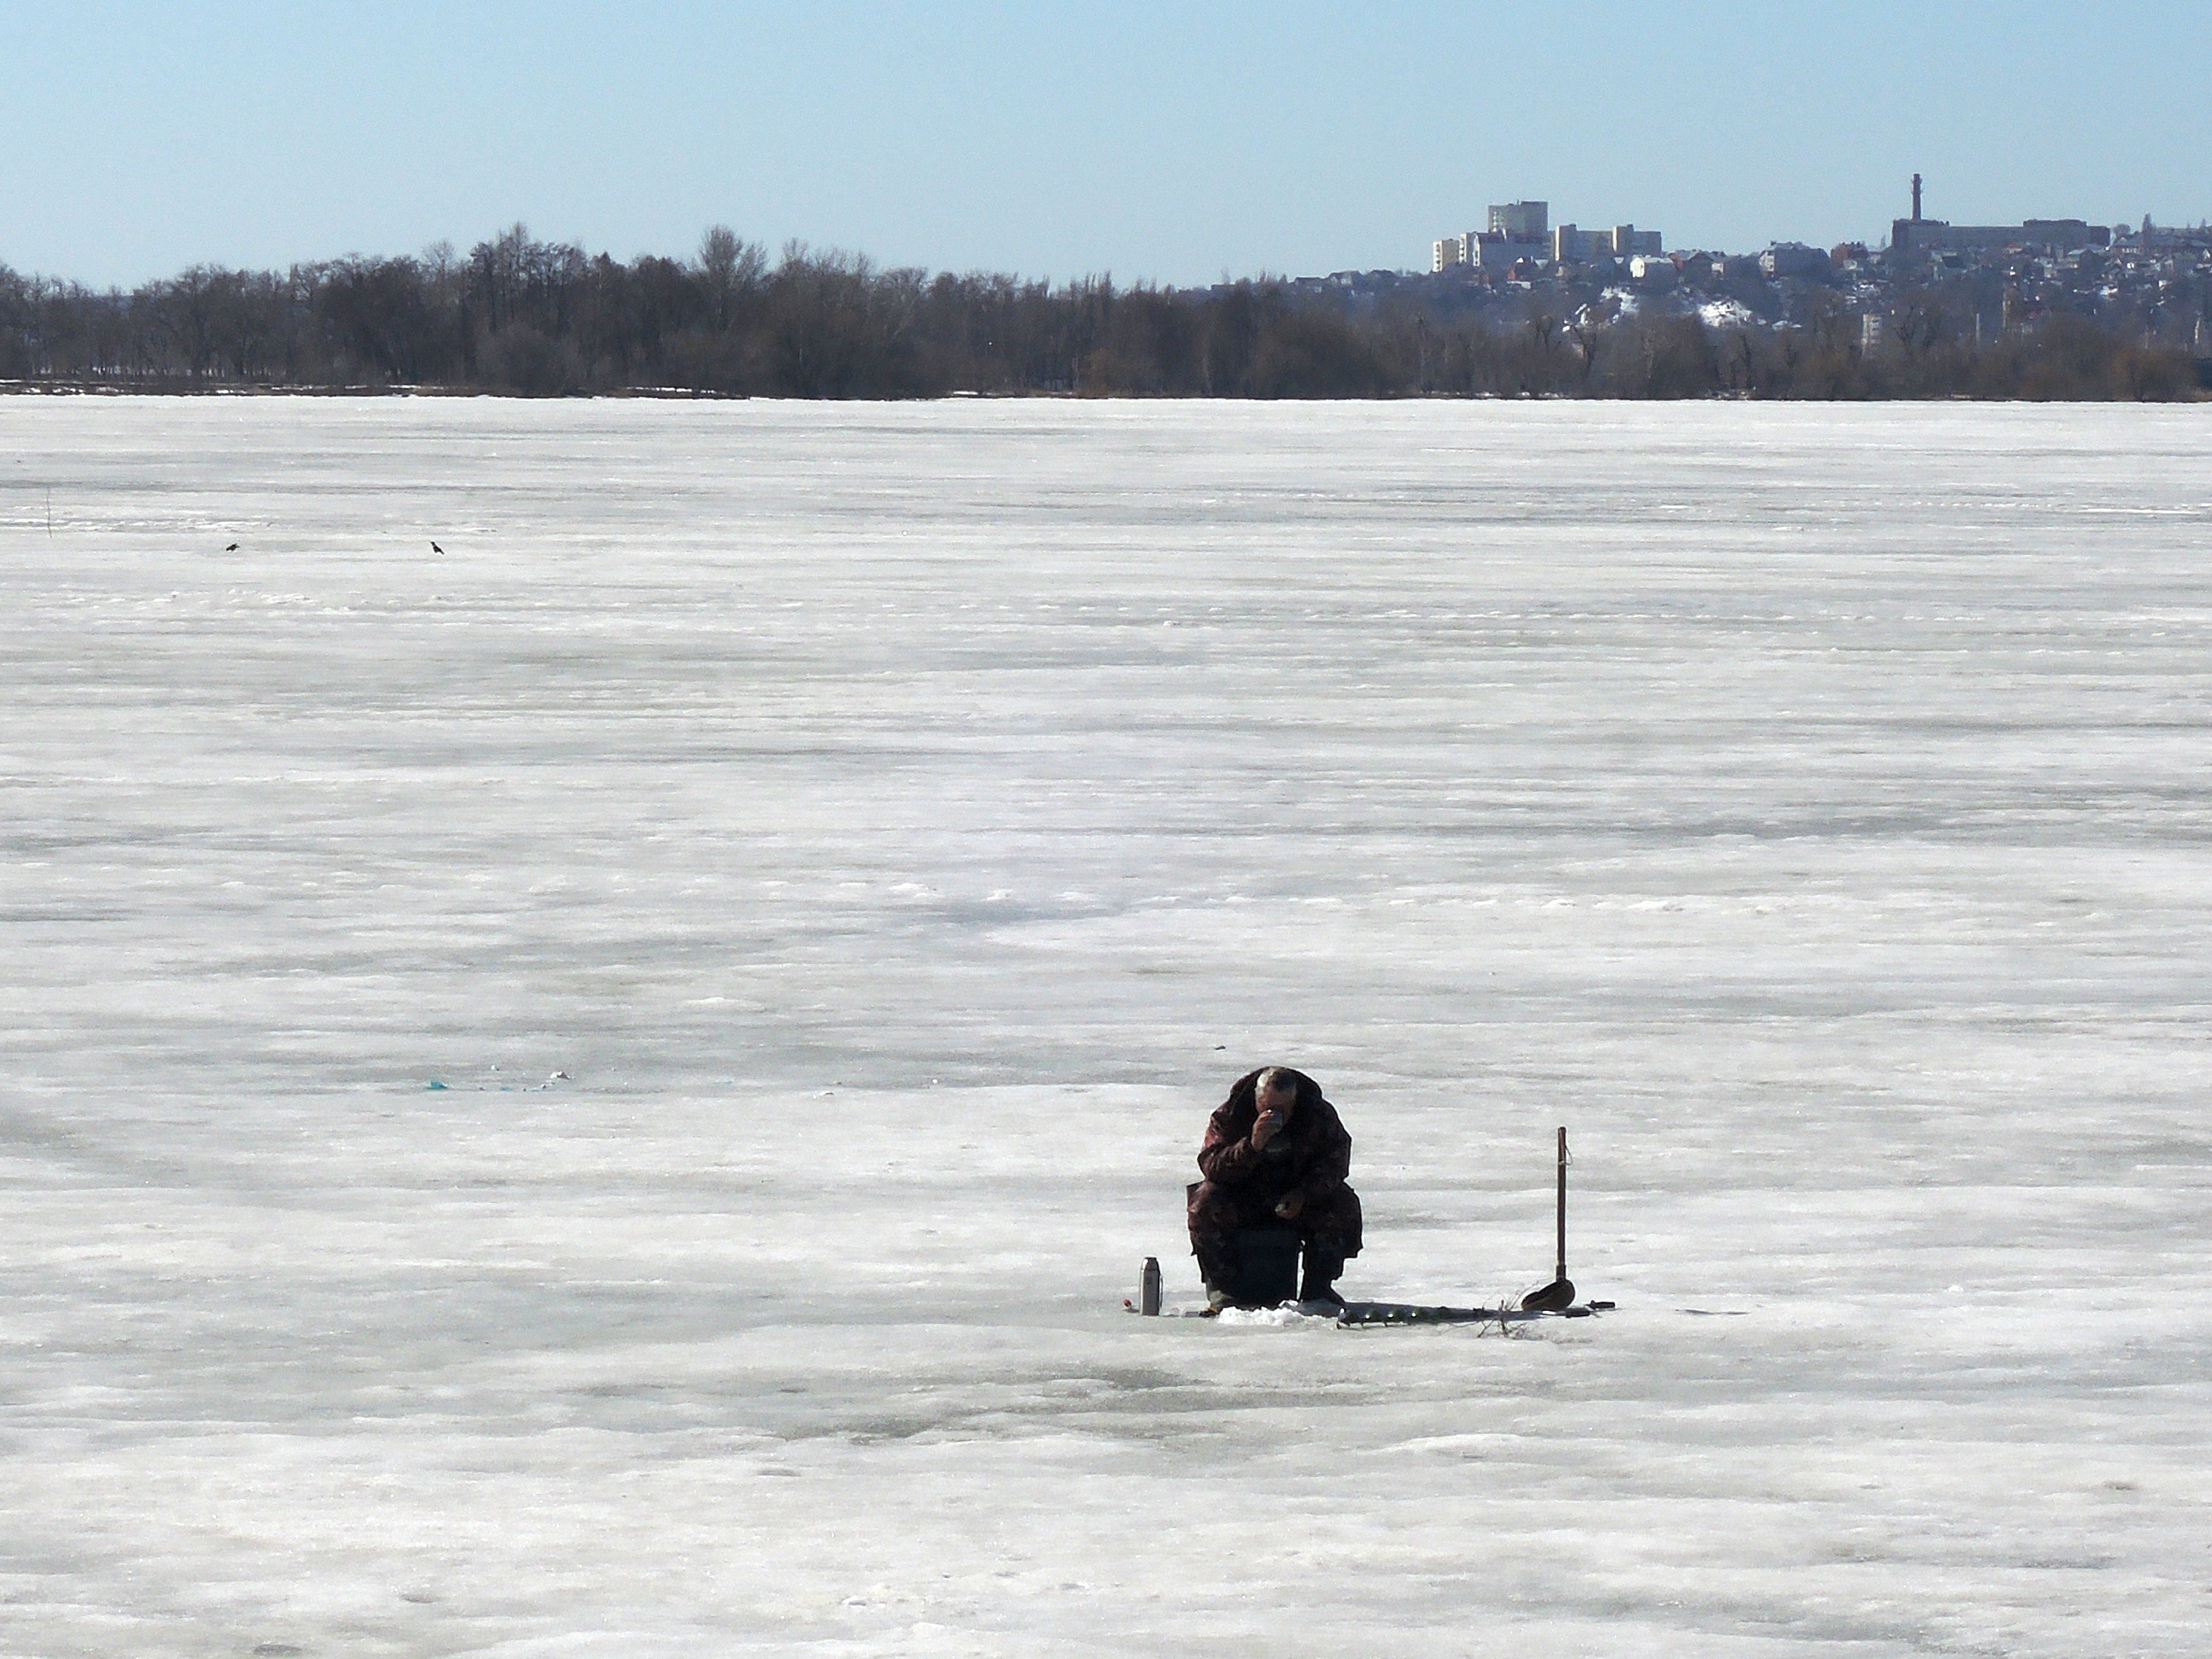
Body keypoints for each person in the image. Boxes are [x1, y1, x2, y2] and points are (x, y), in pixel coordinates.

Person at [1187, 1065, 1362, 1311]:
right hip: (1244, 1195)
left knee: (1342, 1202)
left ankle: (1319, 1288)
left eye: (1282, 1109)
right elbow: (1211, 1166)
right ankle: (1222, 1290)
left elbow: (1337, 1162)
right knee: (1204, 1202)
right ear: (1256, 1100)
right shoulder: (1230, 1116)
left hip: (1296, 1196)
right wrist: (1251, 1145)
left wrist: (1304, 1193)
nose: (1275, 1115)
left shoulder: (1317, 1114)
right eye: (1268, 1108)